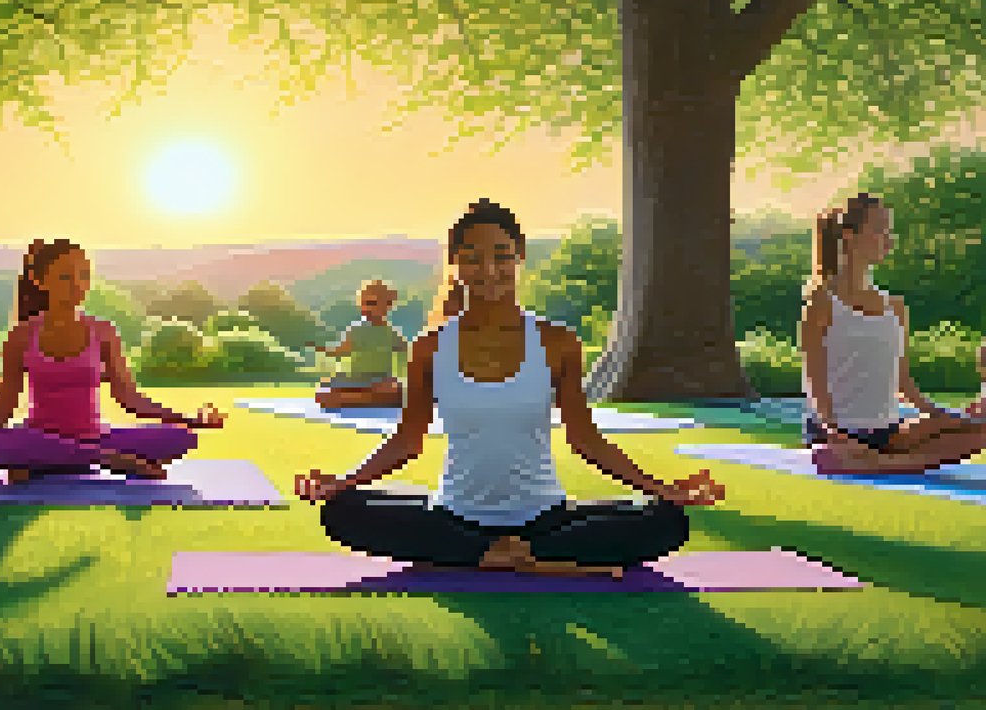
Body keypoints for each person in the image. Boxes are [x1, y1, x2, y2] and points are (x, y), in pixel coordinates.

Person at [295, 200, 724, 578]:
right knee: (343, 510)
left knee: (667, 520)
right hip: (453, 515)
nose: (489, 270)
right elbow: (407, 441)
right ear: (455, 263)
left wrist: (662, 488)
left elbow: (585, 440)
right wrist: (343, 481)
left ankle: (489, 555)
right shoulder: (429, 347)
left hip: (545, 517)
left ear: (519, 256)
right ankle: (527, 558)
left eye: (501, 256)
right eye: (473, 258)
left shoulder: (557, 342)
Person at [0, 239, 226, 483]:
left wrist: (188, 418)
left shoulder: (104, 331)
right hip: (39, 435)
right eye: (65, 276)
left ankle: (53, 462)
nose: (77, 285)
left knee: (181, 436)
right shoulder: (21, 336)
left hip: (97, 435)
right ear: (40, 280)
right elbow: (5, 403)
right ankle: (104, 459)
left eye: (83, 275)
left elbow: (129, 397)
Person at [798, 193, 986, 474]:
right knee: (826, 452)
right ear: (849, 236)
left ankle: (880, 463)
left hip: (886, 432)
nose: (889, 239)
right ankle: (864, 457)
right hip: (837, 432)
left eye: (889, 231)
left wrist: (944, 416)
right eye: (879, 230)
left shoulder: (895, 307)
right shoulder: (822, 303)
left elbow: (902, 382)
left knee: (979, 430)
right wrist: (833, 431)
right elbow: (814, 381)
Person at [306, 280, 409, 408]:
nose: (366, 308)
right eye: (363, 304)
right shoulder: (357, 329)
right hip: (356, 380)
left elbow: (407, 350)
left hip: (380, 381)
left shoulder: (391, 333)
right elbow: (340, 350)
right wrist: (320, 347)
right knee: (325, 387)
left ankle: (352, 399)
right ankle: (361, 398)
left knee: (396, 388)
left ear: (388, 305)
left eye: (372, 303)